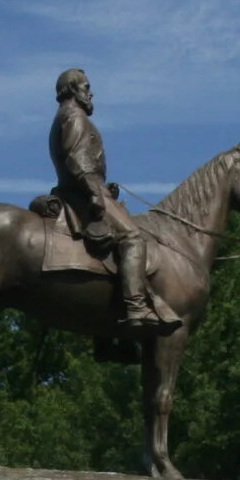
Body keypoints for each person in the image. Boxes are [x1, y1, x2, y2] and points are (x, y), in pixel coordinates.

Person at [48, 68, 178, 335]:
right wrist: (95, 192)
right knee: (132, 237)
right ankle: (136, 307)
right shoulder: (74, 116)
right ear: (73, 89)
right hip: (81, 194)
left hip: (83, 189)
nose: (90, 92)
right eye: (86, 86)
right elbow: (78, 161)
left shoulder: (66, 116)